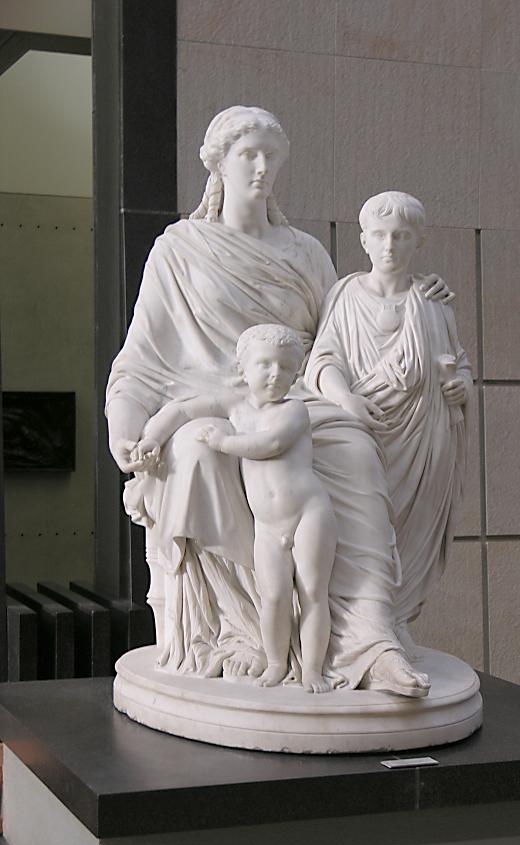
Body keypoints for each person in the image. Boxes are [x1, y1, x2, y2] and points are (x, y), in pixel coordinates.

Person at [105, 106, 452, 695]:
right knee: (197, 451)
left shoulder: (306, 253)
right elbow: (139, 361)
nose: (263, 168)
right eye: (249, 155)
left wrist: (416, 297)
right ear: (219, 164)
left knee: (354, 448)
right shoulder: (180, 250)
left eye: (272, 156)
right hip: (207, 403)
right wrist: (124, 430)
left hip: (298, 400)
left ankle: (373, 641)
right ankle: (244, 632)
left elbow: (343, 336)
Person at [306, 192, 471, 644]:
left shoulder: (433, 301)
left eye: (401, 236)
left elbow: (457, 361)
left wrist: (462, 387)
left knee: (410, 533)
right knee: (362, 529)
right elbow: (323, 359)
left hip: (423, 438)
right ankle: (357, 627)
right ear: (363, 240)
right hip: (363, 428)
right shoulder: (345, 295)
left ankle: (393, 623)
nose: (389, 245)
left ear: (419, 241)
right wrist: (345, 400)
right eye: (379, 235)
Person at [137, 324, 336, 694]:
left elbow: (270, 444)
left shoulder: (294, 410)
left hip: (309, 514)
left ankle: (312, 670)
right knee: (274, 596)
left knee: (312, 592)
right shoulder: (233, 406)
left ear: (296, 375)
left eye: (286, 367)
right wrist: (152, 438)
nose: (275, 374)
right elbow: (181, 411)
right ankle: (276, 664)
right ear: (243, 369)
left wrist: (223, 442)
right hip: (267, 526)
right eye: (265, 364)